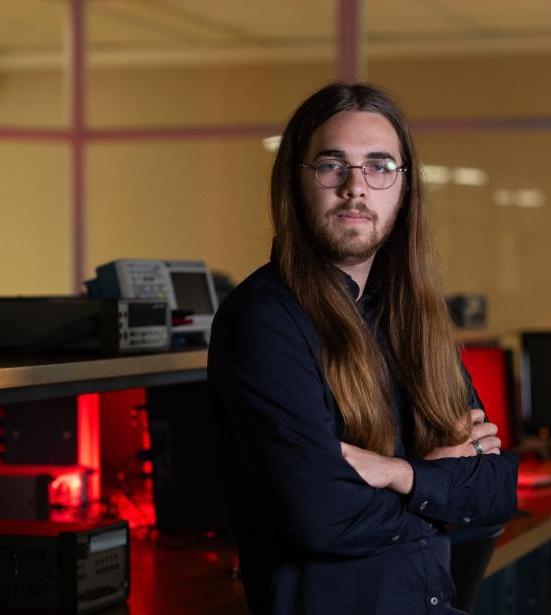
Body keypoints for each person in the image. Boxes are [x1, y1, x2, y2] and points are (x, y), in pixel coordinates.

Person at [207, 82, 519, 615]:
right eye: (332, 165)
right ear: (296, 182)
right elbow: (320, 515)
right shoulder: (265, 319)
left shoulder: (416, 317)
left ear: (403, 187)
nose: (356, 187)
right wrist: (441, 485)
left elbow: (495, 494)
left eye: (379, 166)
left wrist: (398, 473)